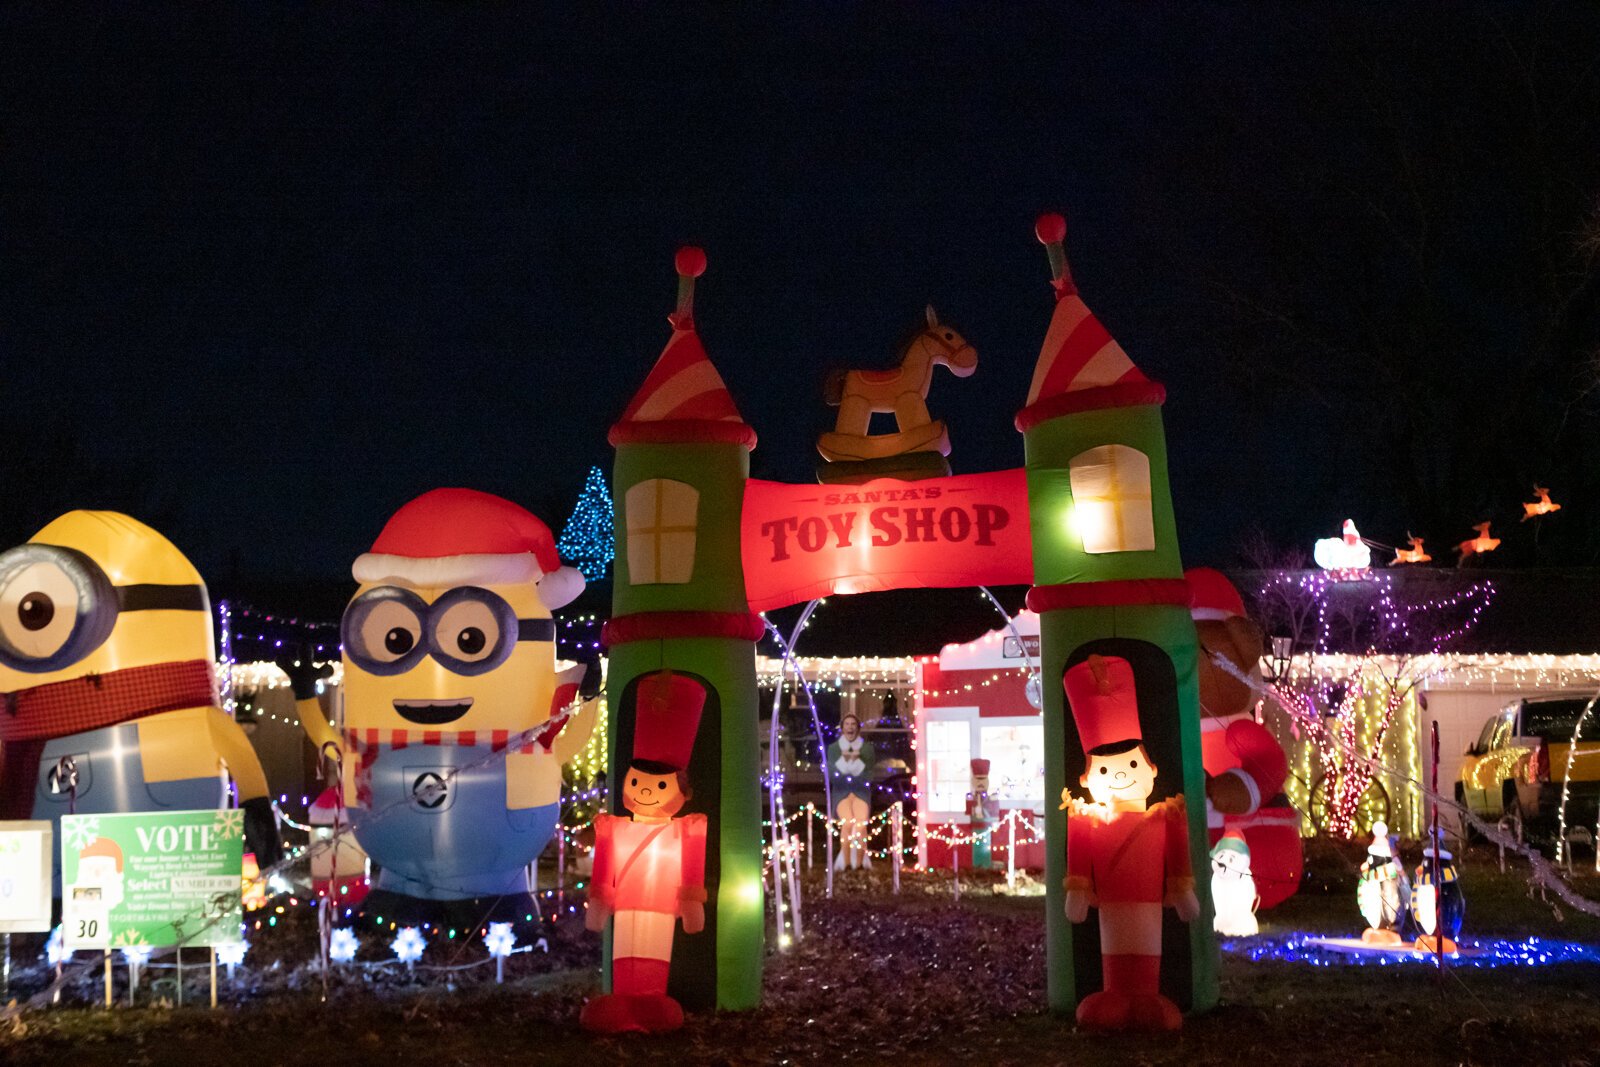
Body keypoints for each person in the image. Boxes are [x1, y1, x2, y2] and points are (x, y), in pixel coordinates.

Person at [1062, 655, 1199, 1032]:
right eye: (1105, 769)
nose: (1120, 773)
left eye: (1132, 764)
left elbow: (1177, 854)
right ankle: (1115, 992)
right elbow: (1080, 855)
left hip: (1150, 900)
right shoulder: (1086, 818)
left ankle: (1146, 994)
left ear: (1151, 768)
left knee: (1144, 934)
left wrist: (1182, 889)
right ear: (1089, 779)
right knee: (1116, 937)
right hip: (1109, 901)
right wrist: (1077, 888)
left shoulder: (1165, 816)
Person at [582, 671, 708, 1034]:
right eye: (636, 781)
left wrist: (690, 901)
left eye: (659, 785)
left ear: (681, 791)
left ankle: (651, 1000)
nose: (645, 791)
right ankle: (622, 1001)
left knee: (653, 952)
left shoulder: (686, 829)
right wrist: (600, 901)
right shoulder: (614, 827)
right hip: (625, 903)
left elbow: (691, 870)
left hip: (661, 905)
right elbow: (605, 867)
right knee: (625, 952)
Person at [827, 713, 875, 869]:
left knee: (861, 825)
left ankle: (860, 864)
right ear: (842, 728)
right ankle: (847, 864)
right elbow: (833, 774)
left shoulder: (867, 749)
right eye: (847, 724)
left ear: (858, 728)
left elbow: (869, 774)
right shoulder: (833, 749)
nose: (850, 727)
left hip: (861, 791)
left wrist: (853, 770)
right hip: (842, 792)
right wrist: (849, 769)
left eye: (853, 724)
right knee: (847, 823)